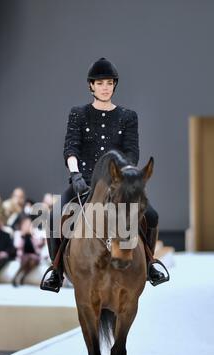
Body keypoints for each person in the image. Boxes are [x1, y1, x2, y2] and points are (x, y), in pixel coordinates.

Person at [41, 57, 169, 292]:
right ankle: (56, 270)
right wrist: (76, 174)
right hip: (84, 182)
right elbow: (71, 147)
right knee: (52, 218)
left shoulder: (128, 116)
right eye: (100, 83)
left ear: (114, 85)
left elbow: (132, 151)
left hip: (118, 183)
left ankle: (150, 263)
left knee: (151, 215)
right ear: (91, 86)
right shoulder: (78, 114)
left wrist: (125, 177)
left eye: (109, 83)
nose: (105, 87)